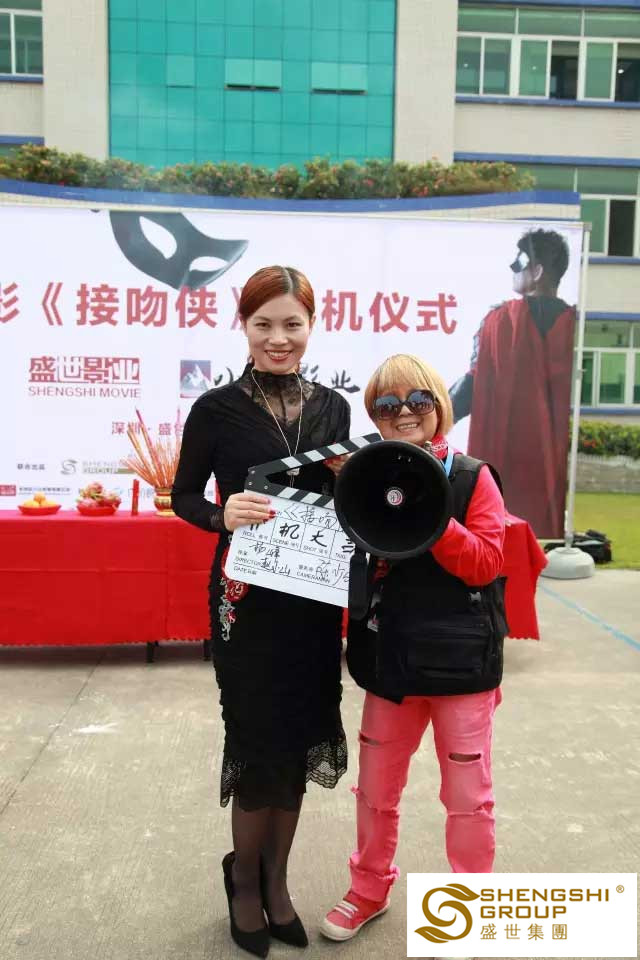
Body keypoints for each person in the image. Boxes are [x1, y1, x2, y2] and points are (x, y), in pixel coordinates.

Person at [172, 265, 351, 958]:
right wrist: (222, 515)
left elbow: (341, 504)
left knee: (300, 735)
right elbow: (185, 496)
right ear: (244, 326)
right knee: (256, 739)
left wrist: (350, 484)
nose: (279, 338)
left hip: (311, 600)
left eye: (292, 324)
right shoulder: (216, 409)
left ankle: (278, 880)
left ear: (311, 326)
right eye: (264, 324)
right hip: (245, 602)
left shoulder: (333, 410)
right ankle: (243, 879)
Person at [321, 354, 506, 959]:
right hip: (390, 662)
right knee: (375, 791)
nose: (404, 413)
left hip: (463, 667)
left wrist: (433, 516)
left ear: (439, 406)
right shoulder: (366, 474)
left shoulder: (473, 476)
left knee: (468, 800)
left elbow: (486, 563)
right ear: (373, 414)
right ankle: (367, 890)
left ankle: (471, 913)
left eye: (418, 400)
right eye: (387, 404)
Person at [449, 228, 575, 538]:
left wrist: (438, 414)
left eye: (519, 262)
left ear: (538, 271)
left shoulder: (500, 321)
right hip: (548, 461)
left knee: (493, 531)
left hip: (502, 456)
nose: (512, 268)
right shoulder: (576, 325)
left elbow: (473, 383)